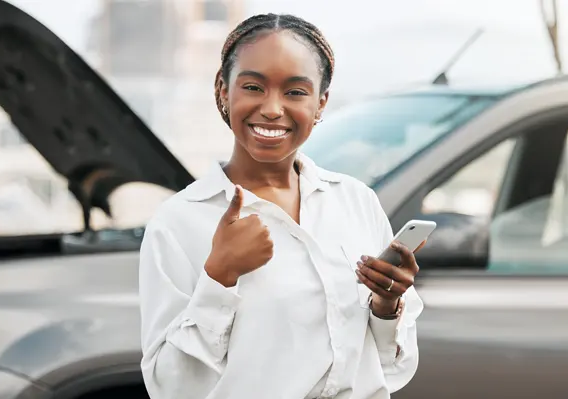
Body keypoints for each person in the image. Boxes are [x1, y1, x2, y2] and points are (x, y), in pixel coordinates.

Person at [139, 13, 424, 399]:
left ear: (321, 103)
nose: (273, 109)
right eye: (254, 87)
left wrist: (387, 304)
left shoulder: (356, 202)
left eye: (295, 92)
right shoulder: (179, 224)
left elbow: (394, 368)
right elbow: (169, 388)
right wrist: (220, 276)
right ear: (223, 90)